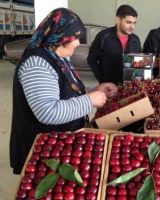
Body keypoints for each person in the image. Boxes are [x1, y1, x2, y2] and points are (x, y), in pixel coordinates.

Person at [9, 8, 118, 174]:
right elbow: (48, 112)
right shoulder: (37, 63)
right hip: (42, 151)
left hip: (58, 146)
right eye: (74, 37)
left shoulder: (57, 57)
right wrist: (90, 101)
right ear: (60, 36)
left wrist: (94, 90)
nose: (77, 43)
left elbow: (64, 90)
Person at [87, 5, 141, 85]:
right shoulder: (103, 36)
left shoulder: (135, 40)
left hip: (130, 88)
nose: (132, 27)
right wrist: (102, 80)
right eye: (128, 22)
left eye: (134, 23)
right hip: (108, 87)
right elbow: (91, 59)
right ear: (118, 20)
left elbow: (137, 64)